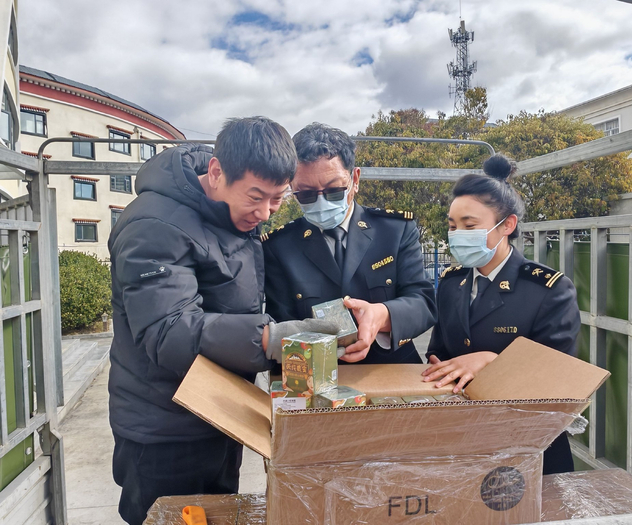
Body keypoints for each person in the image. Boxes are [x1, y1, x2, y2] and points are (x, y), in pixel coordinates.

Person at [108, 117, 337, 525]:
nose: (264, 213)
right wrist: (270, 339)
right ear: (216, 172)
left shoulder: (227, 215)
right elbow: (168, 331)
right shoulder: (154, 225)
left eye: (277, 199)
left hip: (217, 413)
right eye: (256, 197)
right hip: (164, 431)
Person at [423, 154, 581, 475]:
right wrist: (439, 369)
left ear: (507, 225)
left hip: (530, 447)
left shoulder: (548, 289)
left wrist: (490, 361)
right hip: (464, 440)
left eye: (469, 226)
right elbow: (439, 350)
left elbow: (557, 378)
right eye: (452, 226)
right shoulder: (452, 283)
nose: (457, 234)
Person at [263, 123, 437, 364]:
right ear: (292, 188)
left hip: (391, 370)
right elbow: (280, 325)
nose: (322, 202)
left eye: (334, 190)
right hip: (315, 373)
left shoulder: (394, 231)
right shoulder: (279, 247)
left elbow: (423, 303)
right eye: (306, 194)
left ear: (354, 179)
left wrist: (381, 315)